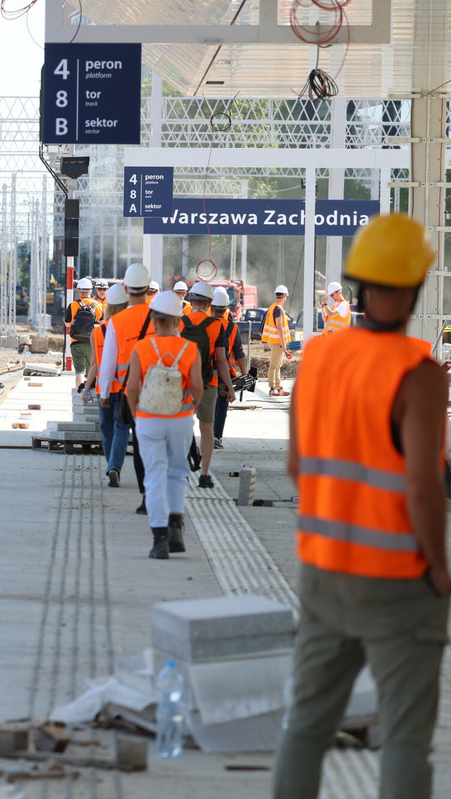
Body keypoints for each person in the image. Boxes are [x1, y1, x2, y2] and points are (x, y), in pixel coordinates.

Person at [273, 213, 450, 799]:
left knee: (305, 726)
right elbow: (424, 488)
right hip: (397, 583)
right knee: (403, 739)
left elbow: (297, 465)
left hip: (323, 571)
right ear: (417, 286)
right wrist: (440, 570)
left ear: (357, 285)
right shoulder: (420, 374)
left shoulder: (318, 357)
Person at [124, 291, 203, 559]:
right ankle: (176, 524)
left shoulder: (142, 348)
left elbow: (132, 388)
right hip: (180, 418)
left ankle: (159, 541)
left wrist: (138, 416)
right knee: (178, 472)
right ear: (178, 321)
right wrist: (188, 408)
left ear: (155, 321)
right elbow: (197, 387)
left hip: (148, 420)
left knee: (154, 476)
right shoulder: (190, 349)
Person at [98, 263, 154, 504]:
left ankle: (118, 470)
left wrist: (103, 391)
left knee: (122, 430)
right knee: (148, 442)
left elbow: (108, 361)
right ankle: (149, 493)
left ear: (127, 288)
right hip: (156, 391)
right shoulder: (160, 315)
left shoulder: (117, 322)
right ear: (148, 288)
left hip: (126, 392)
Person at [180, 282, 237, 488]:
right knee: (207, 429)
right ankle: (204, 475)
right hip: (208, 383)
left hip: (183, 383)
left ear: (191, 300)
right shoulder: (216, 326)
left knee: (181, 427)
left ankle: (182, 471)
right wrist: (230, 387)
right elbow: (221, 360)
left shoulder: (180, 322)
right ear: (210, 303)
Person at [83, 283, 128, 472]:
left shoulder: (97, 332)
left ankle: (110, 466)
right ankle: (114, 468)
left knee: (107, 430)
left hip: (103, 388)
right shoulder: (129, 330)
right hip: (125, 388)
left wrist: (86, 388)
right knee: (122, 429)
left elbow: (94, 364)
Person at [211, 287, 248, 449]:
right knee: (222, 406)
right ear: (226, 308)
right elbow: (239, 353)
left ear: (211, 307)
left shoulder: (206, 325)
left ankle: (208, 434)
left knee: (209, 405)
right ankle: (216, 437)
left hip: (207, 373)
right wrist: (245, 376)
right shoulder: (232, 328)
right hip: (225, 374)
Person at [66, 278, 101, 387]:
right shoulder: (98, 306)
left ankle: (79, 394)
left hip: (76, 342)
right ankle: (90, 395)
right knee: (92, 370)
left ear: (79, 291)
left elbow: (67, 324)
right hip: (92, 343)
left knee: (79, 371)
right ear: (91, 291)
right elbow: (103, 324)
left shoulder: (73, 305)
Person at [263, 285, 291, 396]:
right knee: (274, 365)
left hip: (274, 341)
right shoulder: (278, 309)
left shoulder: (274, 307)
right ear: (284, 296)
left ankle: (278, 387)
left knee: (277, 365)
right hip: (277, 342)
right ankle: (272, 387)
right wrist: (284, 344)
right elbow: (279, 326)